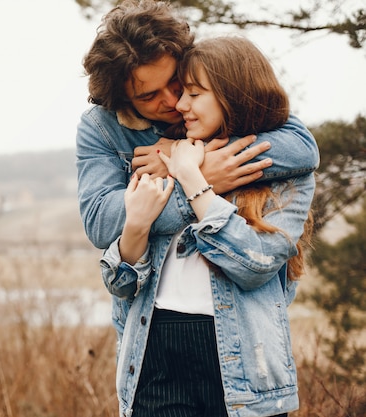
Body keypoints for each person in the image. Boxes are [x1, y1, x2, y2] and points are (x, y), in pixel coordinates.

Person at [100, 35, 315, 417]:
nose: (179, 104)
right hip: (155, 355)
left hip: (245, 360)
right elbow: (122, 280)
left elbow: (255, 265)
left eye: (193, 94)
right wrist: (146, 212)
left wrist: (193, 179)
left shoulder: (286, 176)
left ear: (232, 95)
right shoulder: (165, 157)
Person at [76, 0, 318, 252]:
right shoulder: (101, 126)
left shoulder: (218, 88)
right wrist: (197, 178)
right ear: (122, 100)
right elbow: (101, 223)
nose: (173, 102)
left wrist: (187, 158)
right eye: (149, 96)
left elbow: (300, 149)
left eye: (175, 82)